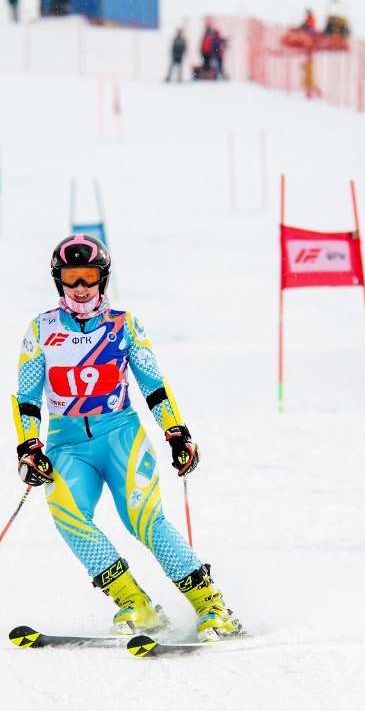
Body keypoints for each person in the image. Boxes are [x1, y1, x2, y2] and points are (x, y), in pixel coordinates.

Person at [14, 234, 243, 641]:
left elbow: (153, 384)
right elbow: (28, 395)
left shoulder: (124, 323)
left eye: (89, 277)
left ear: (102, 279)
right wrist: (29, 447)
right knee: (67, 513)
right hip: (67, 442)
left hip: (120, 434)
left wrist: (177, 434)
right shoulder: (41, 328)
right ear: (58, 280)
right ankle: (134, 603)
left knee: (143, 520)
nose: (81, 287)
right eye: (71, 277)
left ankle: (212, 605)